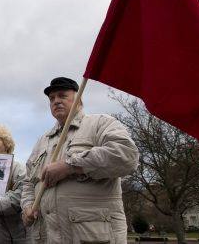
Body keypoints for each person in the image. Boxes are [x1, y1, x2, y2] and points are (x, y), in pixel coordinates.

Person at [20, 77, 139, 244]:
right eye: (52, 98)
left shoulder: (100, 123)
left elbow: (127, 156)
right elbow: (28, 182)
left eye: (62, 96)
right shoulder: (42, 141)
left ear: (78, 99)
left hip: (92, 236)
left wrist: (70, 166)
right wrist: (27, 206)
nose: (56, 101)